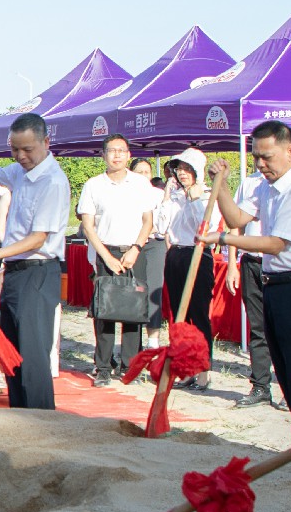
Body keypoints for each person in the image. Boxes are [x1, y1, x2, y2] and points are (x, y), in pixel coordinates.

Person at [214, 121, 291, 460]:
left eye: (267, 157)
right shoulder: (267, 186)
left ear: (290, 151)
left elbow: (277, 243)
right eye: (256, 159)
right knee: (286, 368)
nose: (261, 165)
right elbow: (237, 217)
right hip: (274, 284)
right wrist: (220, 187)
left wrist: (223, 239)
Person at [0, 116, 72, 410]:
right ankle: (20, 416)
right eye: (16, 150)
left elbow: (38, 239)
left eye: (28, 150)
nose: (21, 157)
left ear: (46, 143)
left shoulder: (53, 182)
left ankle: (41, 423)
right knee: (11, 354)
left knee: (33, 358)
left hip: (38, 272)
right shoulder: (21, 172)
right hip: (15, 272)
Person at [77, 136, 158, 386]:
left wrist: (135, 249)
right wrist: (107, 256)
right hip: (106, 251)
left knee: (134, 309)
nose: (117, 155)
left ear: (128, 154)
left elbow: (148, 222)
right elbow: (88, 226)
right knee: (105, 309)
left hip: (134, 251)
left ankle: (129, 366)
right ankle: (102, 366)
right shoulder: (93, 185)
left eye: (121, 151)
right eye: (112, 151)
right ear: (103, 155)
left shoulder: (140, 184)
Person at [157, 150, 216, 386]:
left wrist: (193, 199)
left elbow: (203, 225)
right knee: (180, 315)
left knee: (198, 312)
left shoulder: (206, 196)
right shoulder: (174, 197)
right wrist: (167, 197)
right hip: (176, 254)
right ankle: (186, 365)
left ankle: (204, 369)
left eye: (187, 169)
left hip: (198, 254)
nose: (182, 173)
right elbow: (162, 227)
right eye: (179, 168)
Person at [223, 161, 277, 409]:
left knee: (287, 330)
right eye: (256, 154)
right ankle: (260, 386)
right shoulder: (250, 182)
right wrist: (232, 263)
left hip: (282, 264)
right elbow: (236, 224)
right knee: (257, 327)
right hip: (251, 261)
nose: (261, 160)